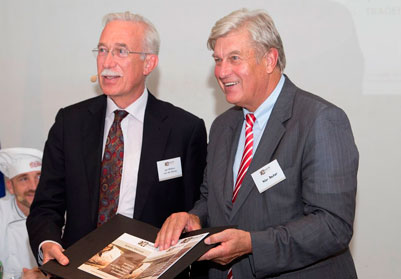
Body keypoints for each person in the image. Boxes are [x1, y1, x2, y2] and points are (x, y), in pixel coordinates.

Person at [155, 8, 359, 278]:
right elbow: (211, 199)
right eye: (218, 59)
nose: (222, 71)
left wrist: (253, 244)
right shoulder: (222, 126)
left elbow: (333, 226)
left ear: (269, 60)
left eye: (234, 58)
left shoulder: (320, 121)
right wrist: (193, 217)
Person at [26, 11, 207, 273]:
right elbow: (46, 205)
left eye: (121, 51)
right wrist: (48, 242)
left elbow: (196, 216)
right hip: (75, 269)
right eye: (102, 50)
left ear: (148, 63)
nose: (107, 62)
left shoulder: (184, 129)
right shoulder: (70, 123)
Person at [0, 148, 44, 279]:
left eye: (39, 176)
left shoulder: (67, 214)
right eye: (24, 179)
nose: (34, 186)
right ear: (10, 187)